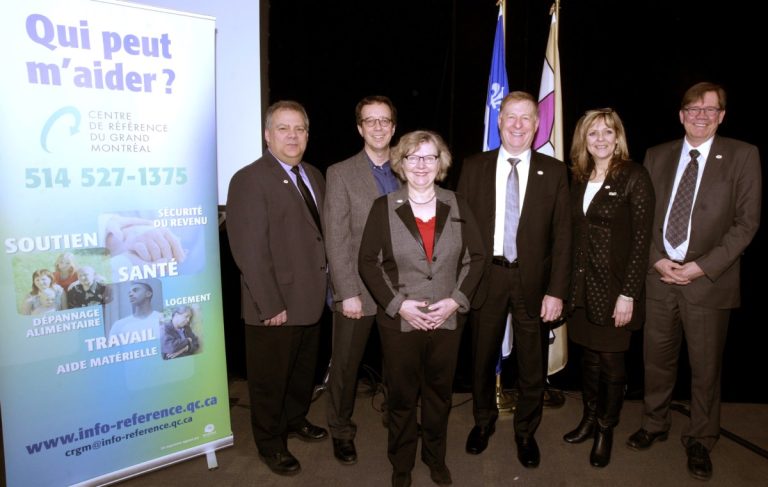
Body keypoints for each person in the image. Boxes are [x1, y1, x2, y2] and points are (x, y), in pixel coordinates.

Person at [626, 82, 761, 481]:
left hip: (708, 282)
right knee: (656, 360)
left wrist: (700, 267)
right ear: (681, 114)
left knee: (704, 368)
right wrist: (656, 261)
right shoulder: (657, 155)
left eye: (710, 109)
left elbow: (746, 224)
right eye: (693, 109)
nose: (700, 116)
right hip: (660, 277)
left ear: (721, 115)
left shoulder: (743, 155)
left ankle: (701, 438)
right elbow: (641, 216)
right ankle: (654, 423)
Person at [359, 130, 485, 487]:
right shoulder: (383, 207)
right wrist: (399, 306)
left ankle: (434, 457)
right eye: (413, 157)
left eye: (430, 157)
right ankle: (401, 464)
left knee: (438, 396)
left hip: (447, 320)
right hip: (401, 323)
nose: (421, 165)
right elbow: (368, 262)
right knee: (400, 398)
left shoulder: (458, 203)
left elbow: (476, 259)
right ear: (401, 163)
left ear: (440, 163)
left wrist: (456, 301)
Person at [457, 91, 571, 468]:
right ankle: (483, 422)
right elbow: (459, 229)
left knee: (531, 363)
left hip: (532, 283)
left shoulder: (553, 172)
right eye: (510, 117)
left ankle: (526, 431)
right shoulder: (474, 167)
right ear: (499, 121)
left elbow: (563, 236)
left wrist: (556, 291)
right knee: (481, 357)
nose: (518, 125)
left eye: (526, 118)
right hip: (486, 278)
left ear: (537, 125)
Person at [226, 100, 329, 477]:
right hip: (274, 305)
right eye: (283, 128)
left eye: (299, 128)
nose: (292, 135)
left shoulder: (313, 175)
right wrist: (270, 304)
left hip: (310, 300)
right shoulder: (250, 179)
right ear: (267, 135)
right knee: (270, 382)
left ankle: (295, 419)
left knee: (301, 374)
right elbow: (249, 251)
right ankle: (271, 443)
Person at [563, 108, 654, 467]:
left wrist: (628, 293)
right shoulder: (579, 177)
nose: (599, 139)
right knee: (588, 359)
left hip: (616, 290)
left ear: (618, 137)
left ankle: (605, 428)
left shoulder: (635, 176)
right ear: (583, 140)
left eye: (607, 132)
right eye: (592, 133)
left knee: (612, 364)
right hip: (582, 289)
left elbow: (641, 242)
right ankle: (588, 417)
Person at [323, 95, 400, 465]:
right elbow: (336, 238)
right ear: (359, 128)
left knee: (399, 363)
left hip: (404, 291)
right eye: (371, 121)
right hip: (358, 290)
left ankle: (397, 420)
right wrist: (347, 292)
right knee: (346, 366)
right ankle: (340, 429)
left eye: (384, 120)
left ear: (394, 126)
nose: (379, 127)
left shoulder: (409, 168)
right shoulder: (340, 173)